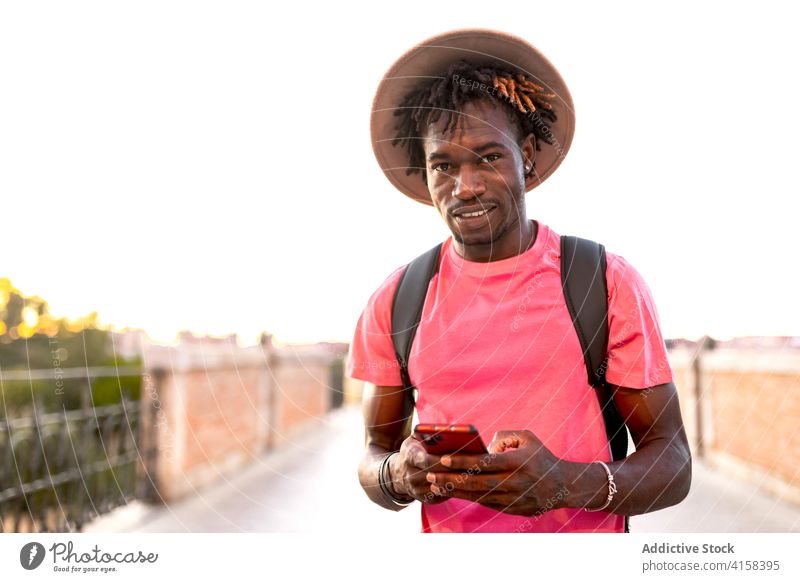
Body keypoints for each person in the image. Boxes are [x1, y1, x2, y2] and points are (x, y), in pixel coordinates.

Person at [347, 29, 691, 533]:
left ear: (526, 155)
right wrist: (397, 476)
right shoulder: (398, 300)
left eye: (489, 157)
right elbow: (372, 457)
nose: (465, 187)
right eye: (443, 165)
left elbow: (674, 463)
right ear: (425, 174)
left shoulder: (602, 282)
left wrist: (566, 484)